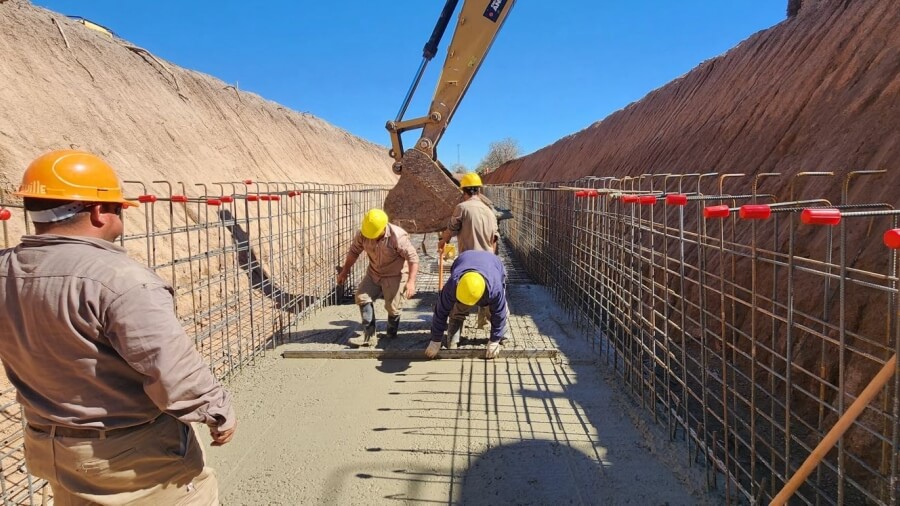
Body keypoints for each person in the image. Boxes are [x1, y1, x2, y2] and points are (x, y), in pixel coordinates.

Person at [0, 149, 236, 504]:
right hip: (132, 459)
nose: (122, 216)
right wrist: (215, 410)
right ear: (98, 211)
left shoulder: (5, 269)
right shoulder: (120, 279)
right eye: (119, 208)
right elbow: (170, 367)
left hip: (50, 448)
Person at [337, 208, 419, 347]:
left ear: (383, 228)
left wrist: (411, 282)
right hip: (374, 272)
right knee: (362, 297)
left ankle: (391, 334)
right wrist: (345, 271)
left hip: (395, 274)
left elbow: (413, 259)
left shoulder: (397, 237)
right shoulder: (364, 233)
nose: (371, 238)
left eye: (374, 235)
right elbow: (354, 252)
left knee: (393, 308)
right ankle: (369, 337)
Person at [425, 250, 508, 359]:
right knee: (458, 308)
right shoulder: (452, 285)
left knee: (497, 311)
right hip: (464, 259)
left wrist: (494, 340)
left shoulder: (495, 288)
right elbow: (441, 312)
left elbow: (499, 313)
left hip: (493, 264)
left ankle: (503, 335)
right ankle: (454, 333)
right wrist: (435, 340)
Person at [437, 172, 499, 254]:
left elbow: (452, 230)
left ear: (464, 191)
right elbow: (494, 239)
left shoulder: (462, 208)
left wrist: (442, 241)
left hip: (468, 259)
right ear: (479, 190)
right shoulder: (490, 211)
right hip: (488, 260)